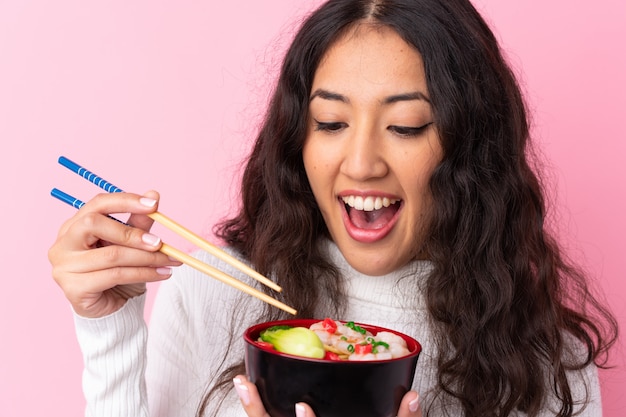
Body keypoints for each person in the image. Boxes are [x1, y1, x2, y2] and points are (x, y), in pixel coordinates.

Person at [48, 0, 618, 416]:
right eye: (330, 123)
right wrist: (109, 330)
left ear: (469, 147)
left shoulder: (546, 362)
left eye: (406, 125)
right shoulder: (214, 288)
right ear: (299, 137)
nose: (362, 162)